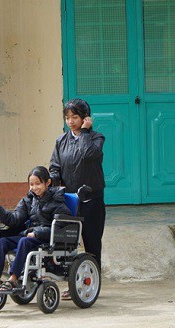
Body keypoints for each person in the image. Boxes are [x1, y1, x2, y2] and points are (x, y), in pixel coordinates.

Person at [0, 166, 71, 292]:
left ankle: (13, 279)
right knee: (2, 242)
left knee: (24, 241)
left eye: (38, 184)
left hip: (45, 238)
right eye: (31, 184)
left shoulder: (57, 202)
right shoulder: (28, 200)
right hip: (29, 235)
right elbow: (15, 219)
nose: (34, 188)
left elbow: (61, 226)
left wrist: (37, 233)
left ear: (48, 182)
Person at [49, 98, 106, 299]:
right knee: (66, 245)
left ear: (85, 118)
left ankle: (92, 284)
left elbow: (88, 154)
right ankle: (72, 284)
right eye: (67, 118)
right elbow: (55, 166)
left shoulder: (97, 138)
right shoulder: (61, 141)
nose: (71, 122)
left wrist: (85, 133)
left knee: (91, 243)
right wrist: (55, 181)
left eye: (75, 117)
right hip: (69, 201)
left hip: (92, 200)